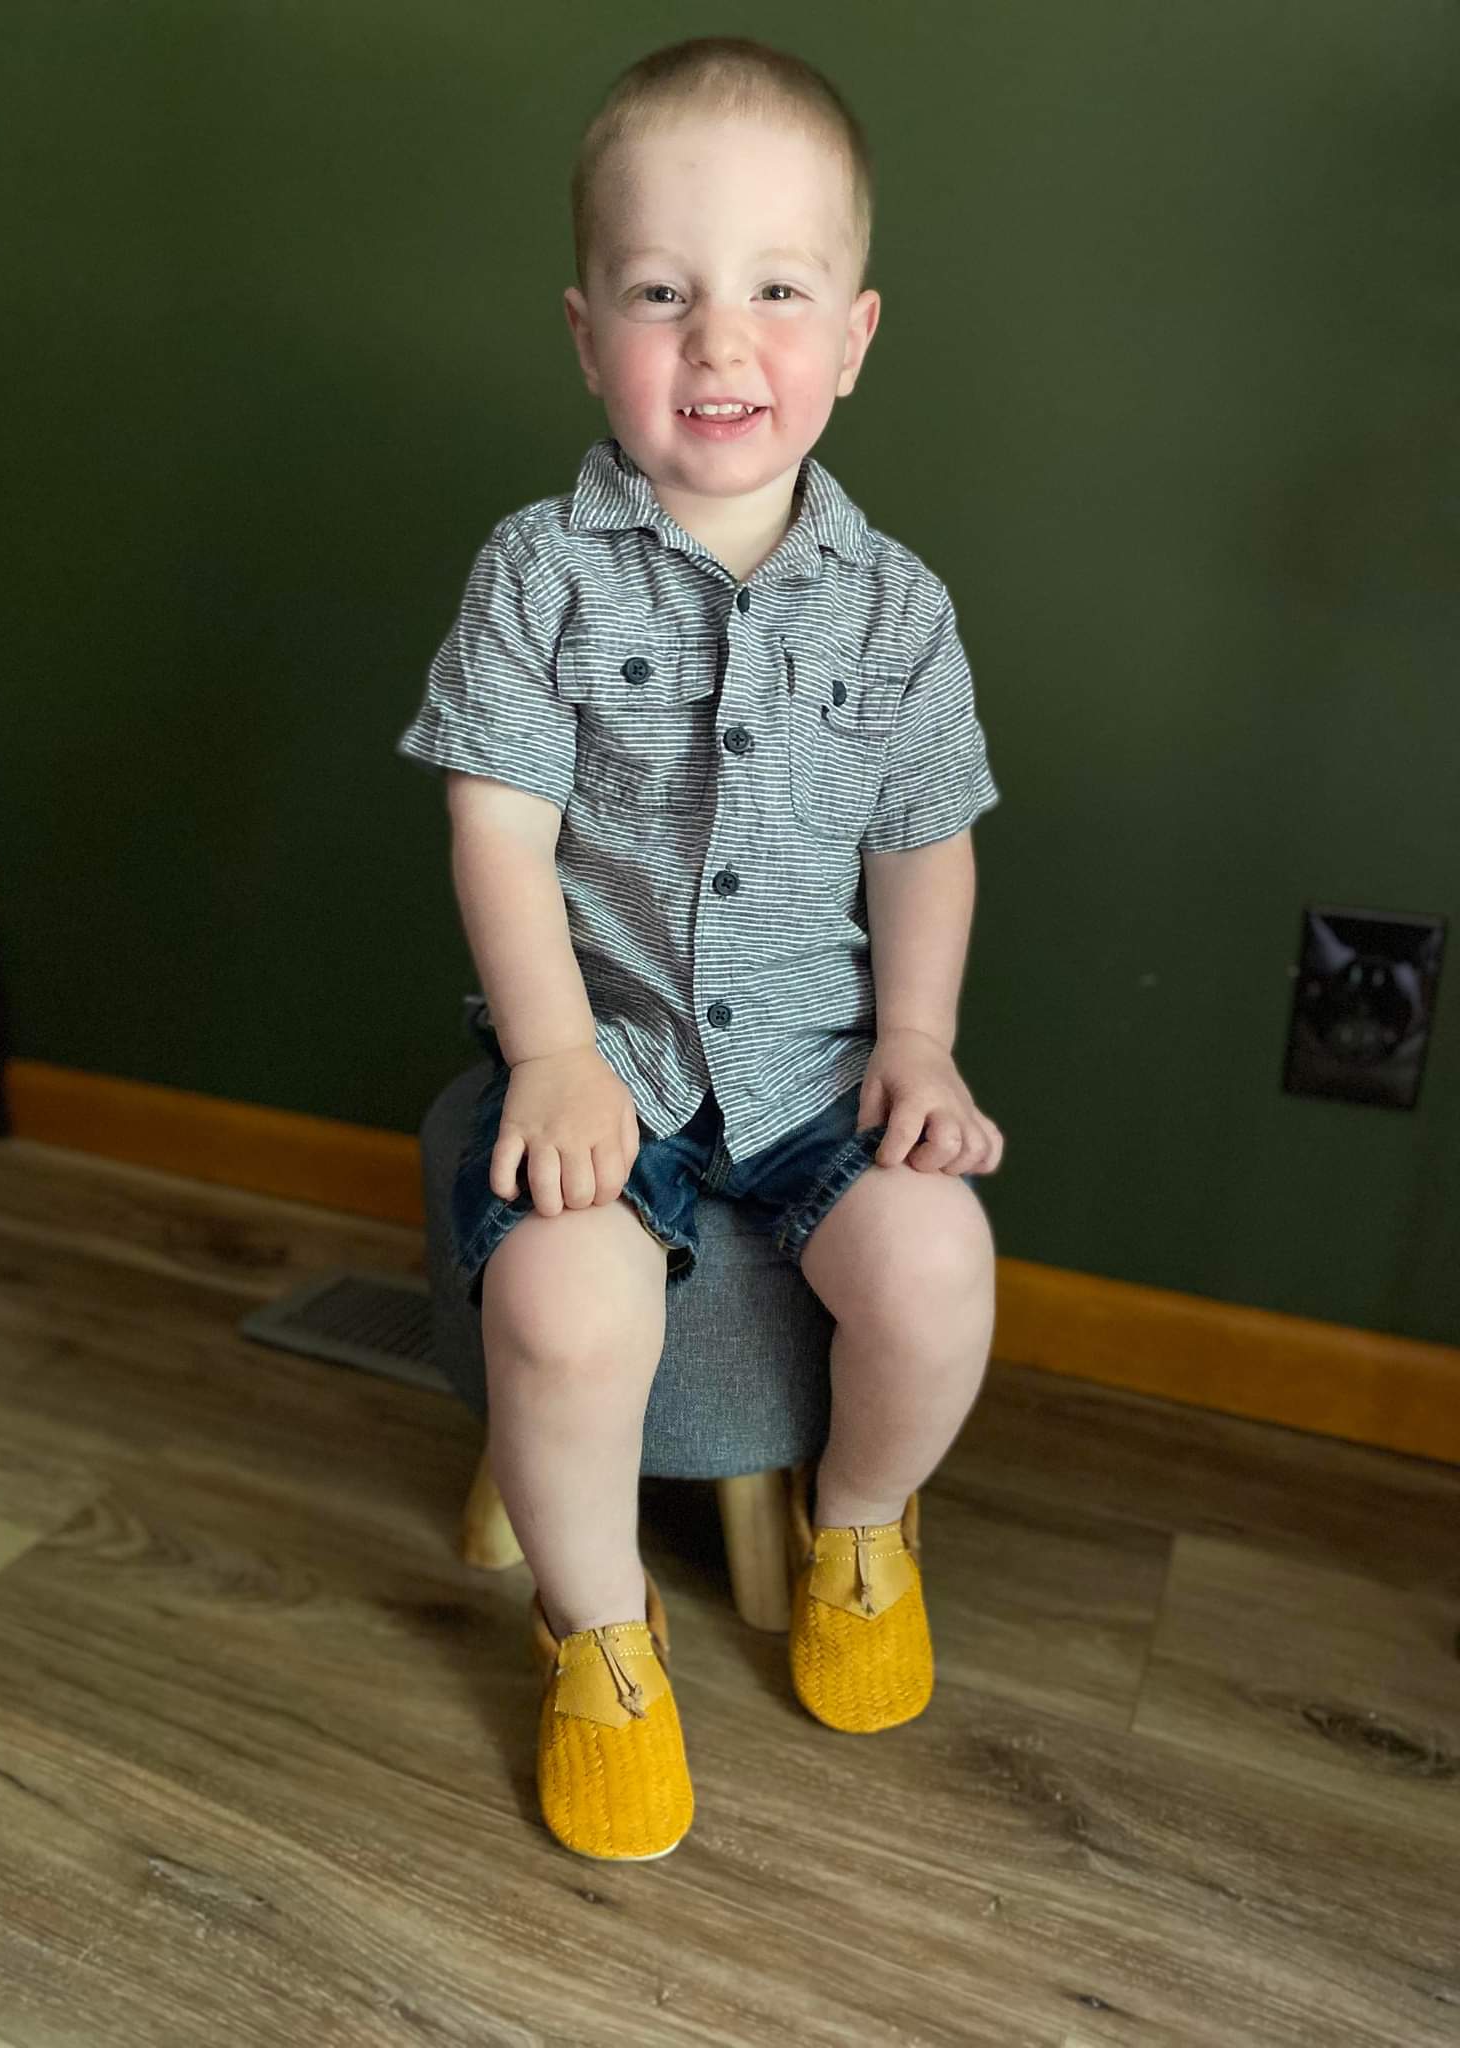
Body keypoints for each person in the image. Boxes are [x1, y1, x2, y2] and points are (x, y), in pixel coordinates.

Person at [396, 36, 1004, 1863]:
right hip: (617, 1059)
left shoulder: (898, 608)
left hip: (820, 1062)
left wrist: (919, 1042)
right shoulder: (537, 572)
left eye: (774, 292)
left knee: (938, 1260)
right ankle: (598, 1637)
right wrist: (559, 1054)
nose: (720, 344)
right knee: (559, 1312)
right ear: (590, 334)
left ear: (856, 334)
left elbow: (927, 838)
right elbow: (493, 821)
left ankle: (864, 1526)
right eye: (663, 295)